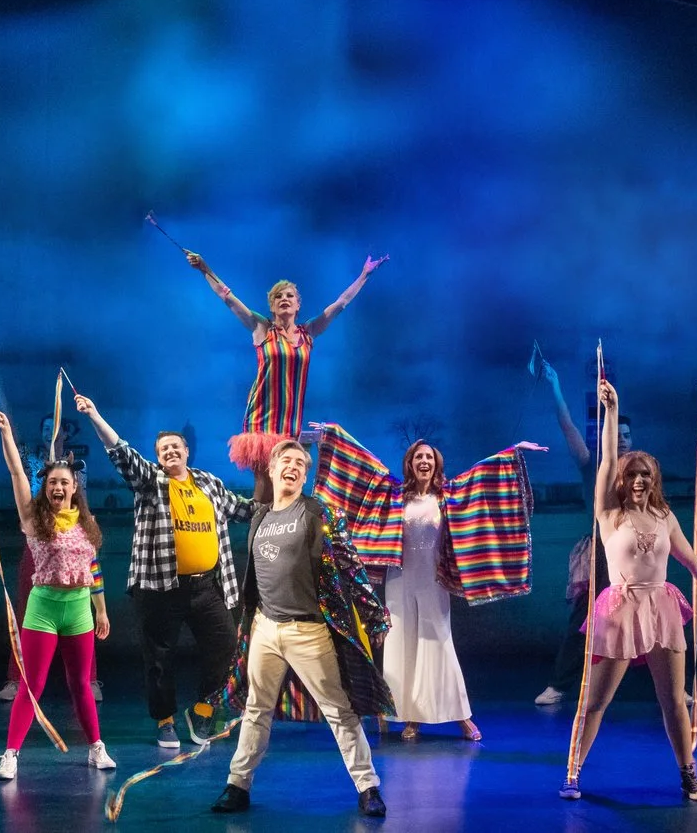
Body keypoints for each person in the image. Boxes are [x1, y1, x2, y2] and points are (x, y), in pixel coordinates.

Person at [309, 422, 545, 741]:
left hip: (433, 580)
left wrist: (512, 453)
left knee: (438, 643)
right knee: (401, 645)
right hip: (399, 579)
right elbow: (362, 465)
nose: (424, 461)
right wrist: (332, 434)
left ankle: (461, 716)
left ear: (436, 464)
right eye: (419, 457)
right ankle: (409, 717)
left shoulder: (449, 496)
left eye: (429, 457)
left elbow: (481, 477)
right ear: (410, 463)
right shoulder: (393, 495)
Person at [561, 379, 697, 804]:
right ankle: (573, 772)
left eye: (645, 474)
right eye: (632, 474)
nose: (638, 480)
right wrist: (611, 411)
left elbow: (690, 559)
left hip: (661, 606)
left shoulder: (664, 516)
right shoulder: (609, 514)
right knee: (596, 701)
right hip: (620, 607)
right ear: (623, 480)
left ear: (653, 480)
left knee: (674, 700)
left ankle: (689, 775)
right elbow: (606, 460)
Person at [209, 439, 393, 818]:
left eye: (299, 464)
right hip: (265, 628)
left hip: (309, 631)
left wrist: (374, 614)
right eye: (286, 461)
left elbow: (351, 567)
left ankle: (368, 787)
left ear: (305, 475)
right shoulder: (260, 517)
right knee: (256, 709)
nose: (292, 467)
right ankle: (237, 785)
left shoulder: (319, 513)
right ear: (272, 469)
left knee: (339, 711)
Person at [80, 393, 255, 750]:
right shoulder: (150, 481)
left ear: (187, 451)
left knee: (227, 646)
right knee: (159, 658)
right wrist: (95, 415)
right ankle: (165, 721)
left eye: (176, 446)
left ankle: (202, 711)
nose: (170, 452)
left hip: (206, 586)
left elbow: (244, 510)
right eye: (163, 449)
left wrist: (280, 492)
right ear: (158, 456)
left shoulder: (209, 484)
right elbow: (121, 452)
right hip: (158, 588)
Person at [0, 404, 117, 780]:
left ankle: (96, 747)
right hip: (43, 607)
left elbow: (93, 569)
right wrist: (6, 433)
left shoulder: (88, 524)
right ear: (46, 487)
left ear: (75, 487)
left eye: (64, 482)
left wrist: (101, 610)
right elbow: (16, 472)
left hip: (78, 610)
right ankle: (10, 754)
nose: (58, 487)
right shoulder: (33, 518)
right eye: (52, 483)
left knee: (81, 685)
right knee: (32, 685)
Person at [183, 247, 385, 470]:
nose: (284, 299)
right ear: (272, 306)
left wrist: (364, 275)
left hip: (291, 421)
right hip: (262, 417)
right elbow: (227, 297)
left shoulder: (308, 332)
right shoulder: (262, 328)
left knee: (287, 476)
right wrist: (204, 268)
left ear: (298, 305)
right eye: (278, 296)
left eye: (289, 295)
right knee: (264, 479)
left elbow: (341, 303)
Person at [530, 343, 633, 707]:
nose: (622, 439)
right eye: (616, 434)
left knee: (647, 615)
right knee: (584, 618)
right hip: (602, 551)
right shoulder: (593, 465)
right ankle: (560, 684)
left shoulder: (642, 472)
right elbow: (567, 425)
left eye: (627, 435)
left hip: (635, 551)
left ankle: (672, 683)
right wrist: (555, 386)